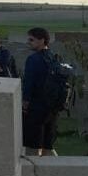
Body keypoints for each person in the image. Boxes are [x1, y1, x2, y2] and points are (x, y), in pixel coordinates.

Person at [22, 27, 58, 157]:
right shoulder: (54, 57)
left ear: (42, 40)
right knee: (48, 145)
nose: (28, 42)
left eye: (31, 40)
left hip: (36, 107)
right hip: (52, 107)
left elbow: (29, 83)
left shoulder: (33, 59)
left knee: (33, 146)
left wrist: (25, 102)